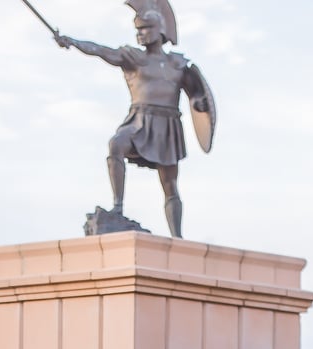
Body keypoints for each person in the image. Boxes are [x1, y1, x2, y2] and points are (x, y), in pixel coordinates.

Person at [54, 9, 212, 238]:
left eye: (146, 28)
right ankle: (118, 206)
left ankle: (177, 235)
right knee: (116, 144)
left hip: (167, 124)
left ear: (160, 31)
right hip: (139, 120)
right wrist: (73, 42)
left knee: (170, 185)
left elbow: (196, 94)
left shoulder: (177, 64)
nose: (141, 34)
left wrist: (199, 102)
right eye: (138, 29)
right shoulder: (133, 58)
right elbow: (101, 50)